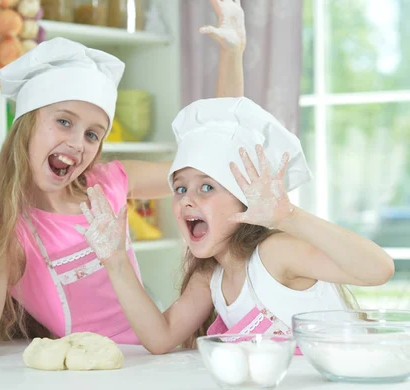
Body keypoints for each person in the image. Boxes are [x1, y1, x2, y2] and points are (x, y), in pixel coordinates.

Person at [0, 0, 248, 359]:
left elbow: (211, 157)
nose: (78, 142)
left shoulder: (109, 181)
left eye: (93, 134)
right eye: (64, 122)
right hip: (87, 376)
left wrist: (232, 55)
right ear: (27, 125)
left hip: (157, 356)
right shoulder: (13, 231)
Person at [76, 96, 395, 355]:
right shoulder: (210, 276)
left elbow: (379, 269)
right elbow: (160, 338)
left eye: (207, 187)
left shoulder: (276, 254)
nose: (187, 199)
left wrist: (290, 217)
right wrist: (115, 262)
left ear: (245, 199)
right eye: (181, 188)